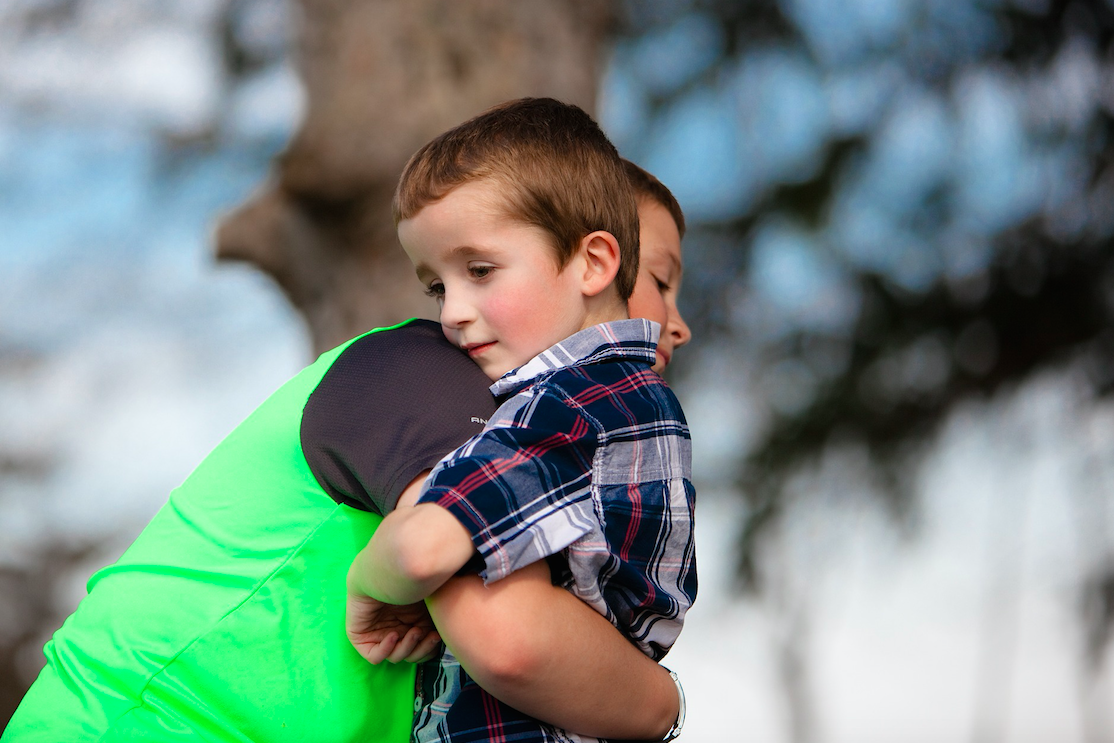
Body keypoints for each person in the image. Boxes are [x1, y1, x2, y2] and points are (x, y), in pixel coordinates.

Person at [2, 318, 679, 741]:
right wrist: (665, 702)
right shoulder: (430, 373)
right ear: (589, 263)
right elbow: (510, 639)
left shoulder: (542, 439)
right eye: (661, 282)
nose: (673, 325)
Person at [347, 97, 697, 743]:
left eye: (479, 270)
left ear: (594, 263)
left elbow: (426, 546)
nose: (452, 311)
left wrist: (367, 577)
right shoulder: (628, 401)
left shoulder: (574, 403)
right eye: (437, 286)